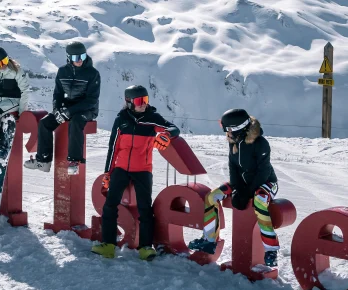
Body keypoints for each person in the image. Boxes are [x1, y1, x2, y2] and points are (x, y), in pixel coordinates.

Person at [91, 85, 180, 261]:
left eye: (145, 100)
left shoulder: (153, 118)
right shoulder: (121, 119)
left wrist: (166, 135)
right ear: (129, 102)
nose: (143, 105)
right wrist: (108, 172)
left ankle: (145, 247)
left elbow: (174, 128)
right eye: (139, 101)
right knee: (110, 205)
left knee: (145, 209)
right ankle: (108, 245)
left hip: (143, 170)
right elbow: (113, 147)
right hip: (121, 169)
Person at [188, 108, 280, 266]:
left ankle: (271, 250)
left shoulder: (260, 143)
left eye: (228, 129)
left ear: (238, 128)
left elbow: (263, 172)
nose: (227, 132)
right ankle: (209, 241)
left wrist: (247, 193)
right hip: (242, 184)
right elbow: (233, 169)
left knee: (259, 201)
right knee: (211, 197)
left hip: (266, 182)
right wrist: (237, 189)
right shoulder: (234, 142)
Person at [23, 41, 100, 175]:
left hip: (86, 110)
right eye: (76, 58)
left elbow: (91, 100)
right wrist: (57, 110)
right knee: (45, 123)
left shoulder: (92, 73)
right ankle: (43, 161)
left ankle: (74, 161)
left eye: (82, 56)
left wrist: (68, 112)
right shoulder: (63, 71)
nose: (80, 60)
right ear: (69, 57)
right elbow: (57, 94)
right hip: (66, 109)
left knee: (76, 121)